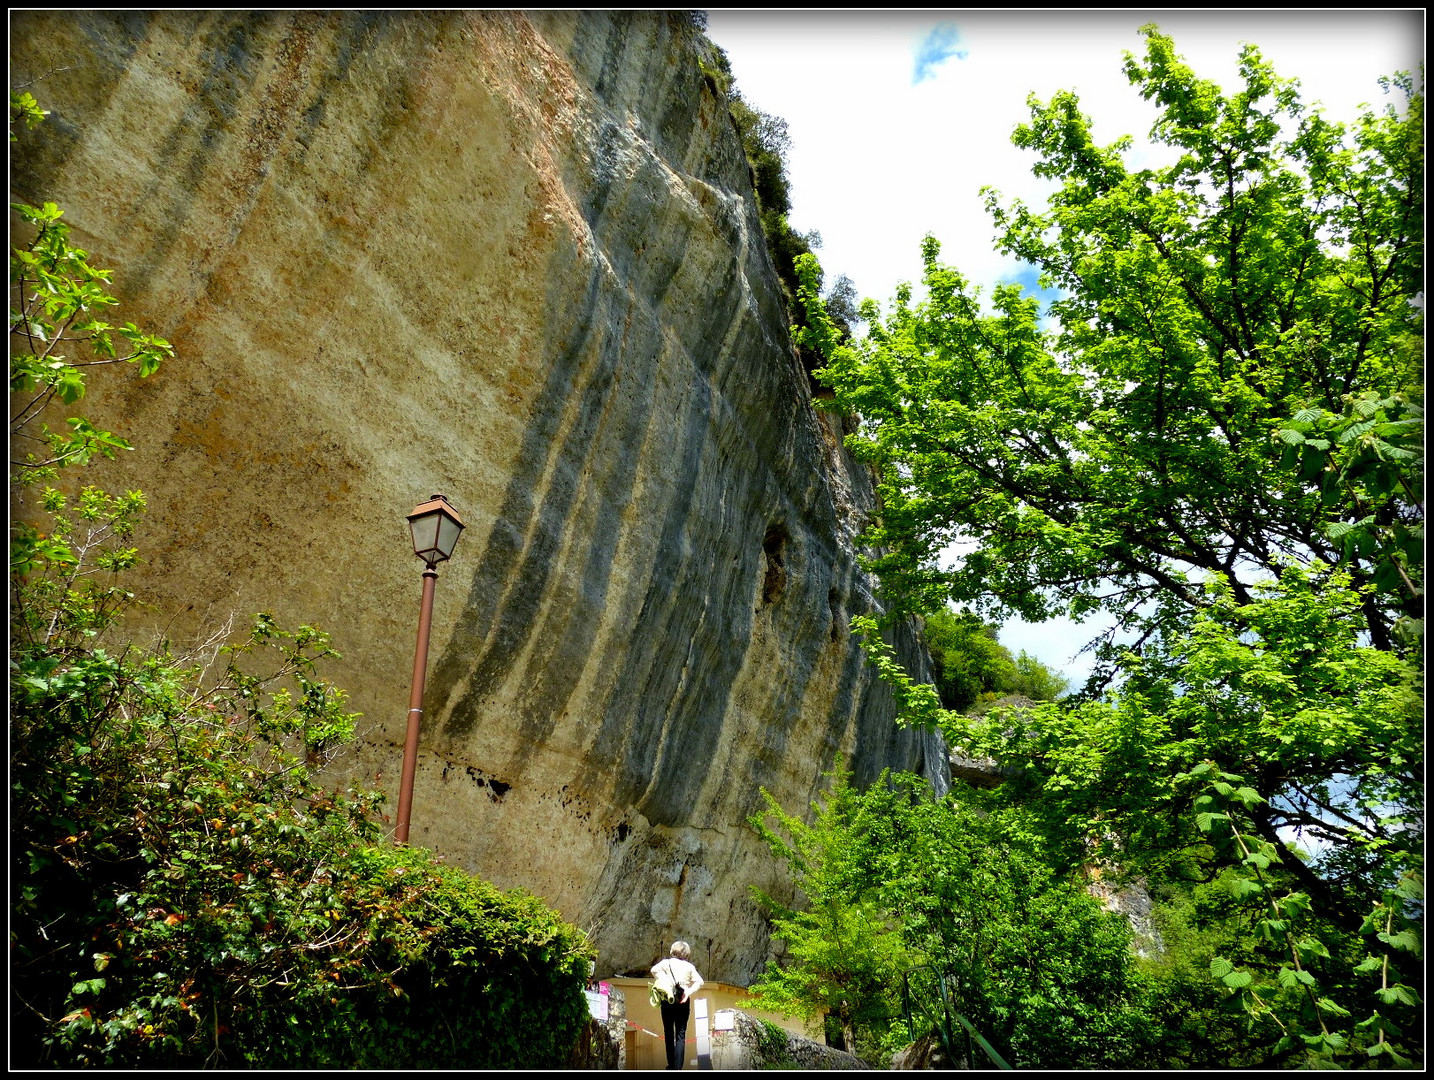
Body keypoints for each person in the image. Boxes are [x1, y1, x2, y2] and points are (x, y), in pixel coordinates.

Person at [652, 940, 704, 1070]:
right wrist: (688, 991)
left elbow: (654, 971)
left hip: (667, 999)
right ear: (686, 953)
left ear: (672, 950)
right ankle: (678, 1067)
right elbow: (700, 982)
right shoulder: (689, 967)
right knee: (681, 1034)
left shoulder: (665, 963)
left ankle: (671, 1065)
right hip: (683, 1000)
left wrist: (665, 981)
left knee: (668, 1032)